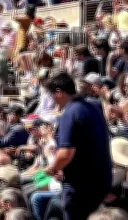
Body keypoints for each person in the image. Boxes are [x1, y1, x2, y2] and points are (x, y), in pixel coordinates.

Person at [44, 72, 113, 220]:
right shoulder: (92, 106)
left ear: (58, 93)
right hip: (100, 181)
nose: (52, 100)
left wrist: (52, 168)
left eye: (51, 95)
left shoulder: (70, 113)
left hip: (81, 186)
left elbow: (66, 153)